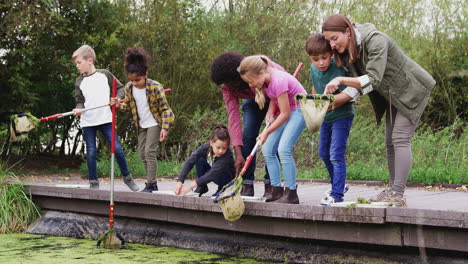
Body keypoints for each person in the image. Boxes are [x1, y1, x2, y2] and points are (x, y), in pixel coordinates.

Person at [322, 14, 436, 207]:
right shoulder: (349, 51)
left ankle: (397, 194)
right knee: (389, 141)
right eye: (328, 41)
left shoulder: (376, 40)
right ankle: (392, 190)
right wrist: (330, 102)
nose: (332, 45)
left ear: (348, 32)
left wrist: (339, 80)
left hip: (412, 89)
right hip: (392, 95)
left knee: (399, 138)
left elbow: (373, 78)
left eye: (335, 38)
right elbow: (357, 87)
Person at [210, 52, 285, 198]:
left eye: (231, 82)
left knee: (272, 138)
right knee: (248, 136)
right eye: (225, 84)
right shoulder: (227, 87)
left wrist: (272, 115)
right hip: (255, 100)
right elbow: (233, 118)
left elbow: (282, 82)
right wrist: (238, 153)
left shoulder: (257, 65)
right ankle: (247, 183)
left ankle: (271, 184)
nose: (229, 87)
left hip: (277, 95)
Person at [238, 55, 306, 204]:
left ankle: (291, 193)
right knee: (267, 148)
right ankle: (276, 190)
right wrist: (269, 113)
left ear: (261, 73)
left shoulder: (278, 80)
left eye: (251, 81)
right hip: (286, 110)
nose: (251, 85)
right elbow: (275, 100)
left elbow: (285, 114)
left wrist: (266, 132)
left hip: (300, 110)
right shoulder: (266, 82)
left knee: (283, 149)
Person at [72, 45, 138, 191]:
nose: (77, 66)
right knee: (91, 152)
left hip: (106, 119)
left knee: (118, 149)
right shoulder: (79, 81)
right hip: (88, 121)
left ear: (90, 60)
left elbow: (121, 89)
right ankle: (93, 183)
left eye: (79, 63)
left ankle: (127, 178)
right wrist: (79, 108)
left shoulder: (105, 75)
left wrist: (116, 98)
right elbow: (79, 100)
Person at [111, 47, 175, 193]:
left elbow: (166, 109)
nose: (134, 83)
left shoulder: (155, 87)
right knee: (141, 153)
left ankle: (151, 183)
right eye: (131, 80)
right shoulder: (129, 88)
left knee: (149, 152)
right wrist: (118, 104)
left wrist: (165, 127)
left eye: (137, 80)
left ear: (145, 74)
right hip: (141, 125)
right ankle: (152, 182)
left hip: (155, 123)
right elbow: (128, 106)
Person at [305, 33, 357, 206]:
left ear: (331, 54)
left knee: (336, 154)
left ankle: (337, 194)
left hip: (342, 116)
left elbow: (351, 91)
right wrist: (314, 104)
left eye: (324, 58)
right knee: (323, 153)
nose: (321, 63)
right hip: (326, 117)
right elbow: (314, 87)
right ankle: (339, 184)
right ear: (309, 58)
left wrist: (331, 103)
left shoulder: (339, 67)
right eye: (316, 59)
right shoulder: (313, 69)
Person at [174, 125, 235, 197]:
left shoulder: (227, 155)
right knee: (199, 159)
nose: (221, 151)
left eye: (224, 148)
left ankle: (223, 188)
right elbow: (190, 162)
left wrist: (190, 187)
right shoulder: (205, 147)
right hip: (214, 174)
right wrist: (180, 181)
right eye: (218, 147)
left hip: (226, 179)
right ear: (211, 143)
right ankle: (202, 186)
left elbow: (212, 174)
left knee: (220, 169)